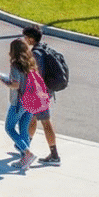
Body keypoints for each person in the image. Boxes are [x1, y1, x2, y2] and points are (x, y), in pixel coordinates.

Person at [22, 25, 60, 164]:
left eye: (25, 37)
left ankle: (54, 155)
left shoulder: (36, 54)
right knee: (33, 119)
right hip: (44, 91)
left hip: (39, 93)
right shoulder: (44, 48)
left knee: (45, 122)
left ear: (31, 39)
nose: (24, 39)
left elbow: (36, 76)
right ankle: (25, 147)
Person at [0, 38, 37, 170]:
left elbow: (15, 84)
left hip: (19, 102)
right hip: (31, 100)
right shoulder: (31, 63)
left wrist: (4, 81)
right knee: (23, 129)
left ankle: (27, 153)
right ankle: (25, 158)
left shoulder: (15, 65)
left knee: (9, 128)